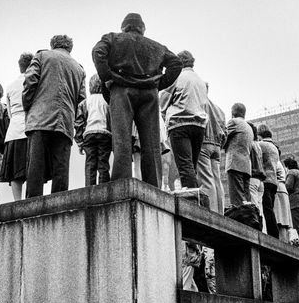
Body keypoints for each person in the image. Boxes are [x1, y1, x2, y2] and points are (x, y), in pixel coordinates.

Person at [92, 12, 182, 187]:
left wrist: (107, 76)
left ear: (124, 27)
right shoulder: (156, 46)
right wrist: (158, 83)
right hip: (149, 93)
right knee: (151, 142)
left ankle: (121, 182)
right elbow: (176, 63)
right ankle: (153, 185)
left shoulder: (113, 38)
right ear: (142, 29)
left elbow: (98, 52)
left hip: (121, 89)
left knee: (122, 139)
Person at [23, 35, 86, 198]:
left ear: (52, 45)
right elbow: (81, 99)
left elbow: (30, 82)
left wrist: (28, 106)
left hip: (40, 118)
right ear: (69, 48)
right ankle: (59, 203)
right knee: (61, 167)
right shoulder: (79, 68)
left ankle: (32, 203)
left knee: (36, 165)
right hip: (65, 121)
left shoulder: (42, 56)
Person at [161, 50, 208, 189]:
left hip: (179, 124)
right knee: (192, 165)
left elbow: (162, 102)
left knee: (184, 165)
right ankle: (196, 196)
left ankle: (191, 201)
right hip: (199, 125)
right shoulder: (201, 81)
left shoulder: (177, 77)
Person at [0, 52, 33, 201]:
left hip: (13, 130)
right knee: (32, 167)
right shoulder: (33, 82)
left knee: (14, 171)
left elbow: (10, 113)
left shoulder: (10, 86)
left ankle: (17, 201)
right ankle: (31, 199)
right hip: (30, 127)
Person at [74, 74, 112, 186]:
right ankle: (103, 188)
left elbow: (78, 123)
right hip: (105, 133)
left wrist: (80, 142)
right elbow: (112, 119)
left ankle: (89, 189)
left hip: (89, 134)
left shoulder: (85, 102)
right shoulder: (107, 101)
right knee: (103, 163)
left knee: (90, 163)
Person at [197, 97, 226, 212]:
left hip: (204, 143)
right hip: (217, 147)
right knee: (217, 180)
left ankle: (211, 212)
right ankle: (220, 212)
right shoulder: (219, 110)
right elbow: (225, 132)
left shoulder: (200, 103)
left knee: (206, 179)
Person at [224, 103, 253, 207]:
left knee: (237, 199)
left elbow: (223, 137)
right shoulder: (249, 127)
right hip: (246, 165)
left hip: (235, 163)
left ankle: (239, 219)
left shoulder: (233, 122)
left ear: (232, 113)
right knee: (246, 199)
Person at [259, 125, 280, 238]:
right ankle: (274, 233)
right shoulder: (275, 148)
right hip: (273, 181)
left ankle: (272, 235)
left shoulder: (261, 145)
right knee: (270, 208)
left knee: (266, 209)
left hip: (265, 180)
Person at [248, 123, 266, 229]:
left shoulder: (250, 144)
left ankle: (256, 230)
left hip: (252, 178)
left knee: (253, 207)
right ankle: (262, 230)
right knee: (260, 209)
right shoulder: (258, 145)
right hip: (260, 180)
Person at [274, 160, 293, 243]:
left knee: (280, 219)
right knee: (284, 220)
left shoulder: (275, 162)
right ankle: (285, 242)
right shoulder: (282, 166)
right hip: (283, 191)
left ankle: (282, 243)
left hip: (278, 190)